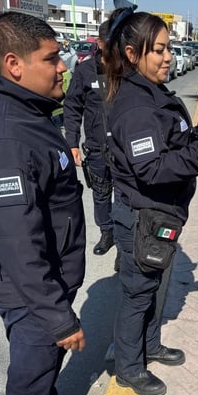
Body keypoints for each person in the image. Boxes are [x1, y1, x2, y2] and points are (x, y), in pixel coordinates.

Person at [103, 3, 198, 395]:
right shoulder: (136, 106)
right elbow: (152, 169)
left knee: (152, 284)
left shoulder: (152, 93)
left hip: (161, 214)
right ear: (133, 54)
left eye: (167, 48)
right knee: (137, 291)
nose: (167, 57)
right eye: (157, 50)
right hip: (142, 215)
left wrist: (193, 143)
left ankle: (149, 345)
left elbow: (169, 145)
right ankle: (128, 367)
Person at [0, 12, 93, 395]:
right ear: (14, 64)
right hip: (33, 293)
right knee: (32, 368)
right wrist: (57, 316)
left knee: (47, 363)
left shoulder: (30, 114)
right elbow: (17, 241)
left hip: (51, 279)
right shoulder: (7, 134)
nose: (62, 68)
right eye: (51, 60)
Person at [64, 20, 120, 267]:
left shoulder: (127, 71)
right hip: (96, 150)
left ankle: (125, 245)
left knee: (125, 198)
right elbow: (72, 107)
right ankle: (107, 233)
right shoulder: (85, 71)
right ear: (100, 44)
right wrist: (72, 142)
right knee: (100, 194)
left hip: (122, 150)